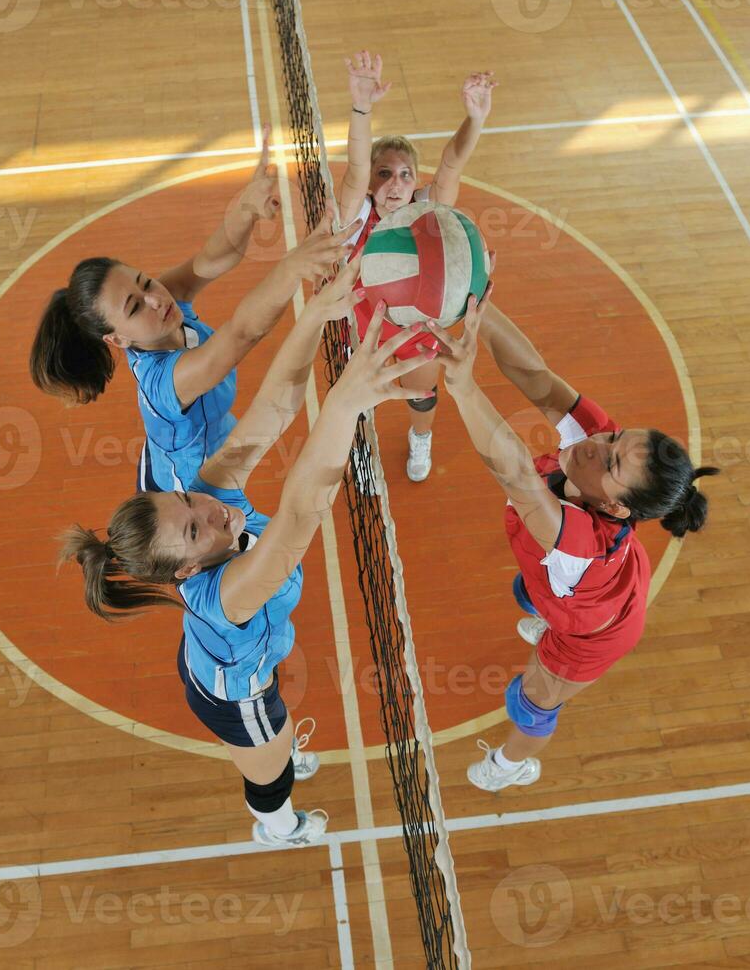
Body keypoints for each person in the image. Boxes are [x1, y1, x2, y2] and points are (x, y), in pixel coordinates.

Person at [61, 256, 437, 843]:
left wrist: (315, 312)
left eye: (184, 499)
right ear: (188, 566)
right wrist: (343, 405)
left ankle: (277, 749)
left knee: (277, 731)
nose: (208, 508)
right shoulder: (230, 593)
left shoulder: (206, 498)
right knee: (269, 759)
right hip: (236, 694)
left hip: (228, 656)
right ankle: (275, 823)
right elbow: (298, 512)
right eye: (193, 528)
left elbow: (273, 411)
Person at [424, 284, 718, 791]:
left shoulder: (579, 538)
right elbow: (534, 376)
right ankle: (545, 617)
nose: (594, 445)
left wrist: (464, 386)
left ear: (616, 506)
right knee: (532, 590)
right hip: (592, 587)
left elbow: (515, 473)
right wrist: (472, 300)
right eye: (612, 438)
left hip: (594, 631)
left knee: (534, 698)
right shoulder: (598, 447)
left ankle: (510, 765)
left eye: (609, 460)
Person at [30, 129, 354, 492]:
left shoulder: (163, 305)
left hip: (172, 456)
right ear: (117, 338)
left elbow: (211, 259)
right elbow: (242, 333)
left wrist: (247, 208)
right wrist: (292, 266)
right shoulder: (168, 380)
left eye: (145, 281)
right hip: (191, 498)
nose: (155, 297)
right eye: (135, 306)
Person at [337, 50, 496, 483]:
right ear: (371, 182)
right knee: (358, 400)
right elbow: (352, 168)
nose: (395, 183)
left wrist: (475, 119)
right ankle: (362, 451)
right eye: (383, 173)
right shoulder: (354, 218)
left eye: (406, 174)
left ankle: (420, 438)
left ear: (416, 182)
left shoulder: (431, 214)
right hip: (366, 332)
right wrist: (362, 106)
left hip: (417, 330)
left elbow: (451, 165)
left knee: (422, 394)